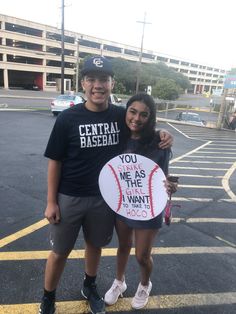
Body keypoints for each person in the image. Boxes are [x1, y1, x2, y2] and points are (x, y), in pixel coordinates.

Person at [39, 56, 173, 314]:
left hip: (105, 199)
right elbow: (55, 161)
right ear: (83, 84)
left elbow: (143, 124)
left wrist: (164, 134)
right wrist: (51, 201)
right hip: (70, 196)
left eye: (103, 79)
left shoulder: (121, 115)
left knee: (95, 246)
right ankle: (48, 297)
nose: (97, 85)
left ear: (112, 83)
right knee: (59, 251)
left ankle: (90, 286)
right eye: (91, 79)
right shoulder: (68, 118)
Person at [104, 93, 178, 310]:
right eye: (132, 111)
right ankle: (120, 282)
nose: (136, 118)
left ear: (151, 118)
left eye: (144, 114)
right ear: (126, 112)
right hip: (123, 202)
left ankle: (145, 284)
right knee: (123, 246)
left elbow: (164, 176)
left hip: (149, 205)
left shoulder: (159, 142)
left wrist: (171, 187)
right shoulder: (117, 137)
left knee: (142, 255)